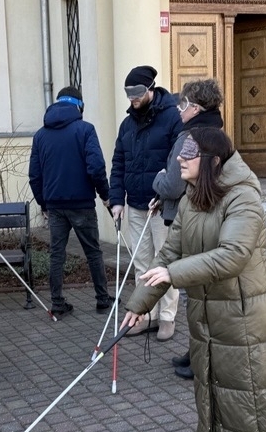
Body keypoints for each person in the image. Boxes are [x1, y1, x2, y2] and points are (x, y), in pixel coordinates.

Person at [122, 127, 266, 432]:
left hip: (244, 323)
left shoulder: (243, 196)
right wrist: (139, 305)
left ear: (213, 160)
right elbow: (169, 253)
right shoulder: (190, 198)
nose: (179, 159)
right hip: (206, 322)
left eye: (189, 153)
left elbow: (233, 254)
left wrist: (174, 273)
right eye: (180, 152)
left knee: (260, 407)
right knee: (213, 402)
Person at [153, 79, 225, 379]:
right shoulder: (214, 132)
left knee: (198, 295)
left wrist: (158, 179)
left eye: (183, 104)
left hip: (192, 220)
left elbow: (173, 184)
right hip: (198, 218)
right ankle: (196, 351)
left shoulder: (191, 137)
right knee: (198, 294)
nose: (179, 109)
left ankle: (202, 359)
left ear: (196, 108)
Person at [109, 65, 182, 341]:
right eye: (128, 93)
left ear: (150, 88)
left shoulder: (172, 117)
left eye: (137, 92)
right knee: (142, 264)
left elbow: (176, 162)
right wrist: (117, 200)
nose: (133, 98)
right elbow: (119, 162)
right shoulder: (127, 125)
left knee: (165, 264)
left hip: (161, 206)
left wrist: (163, 195)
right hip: (136, 205)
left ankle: (167, 317)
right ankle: (147, 315)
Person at [28, 86, 114, 319]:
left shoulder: (40, 135)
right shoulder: (85, 129)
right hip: (82, 203)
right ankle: (102, 299)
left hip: (55, 205)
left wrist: (43, 204)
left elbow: (35, 175)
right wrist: (105, 195)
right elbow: (96, 168)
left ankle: (57, 303)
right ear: (79, 106)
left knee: (57, 254)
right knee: (93, 252)